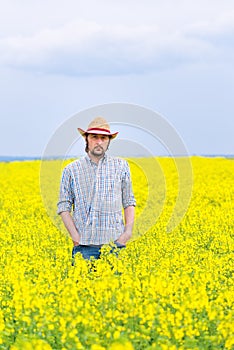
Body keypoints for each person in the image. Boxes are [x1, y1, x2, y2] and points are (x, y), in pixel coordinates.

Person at [57, 117, 136, 261]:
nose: (99, 142)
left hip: (115, 246)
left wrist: (127, 234)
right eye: (94, 137)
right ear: (86, 139)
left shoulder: (121, 166)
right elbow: (63, 207)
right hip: (84, 247)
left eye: (103, 138)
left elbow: (129, 201)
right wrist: (76, 237)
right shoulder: (71, 170)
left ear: (108, 141)